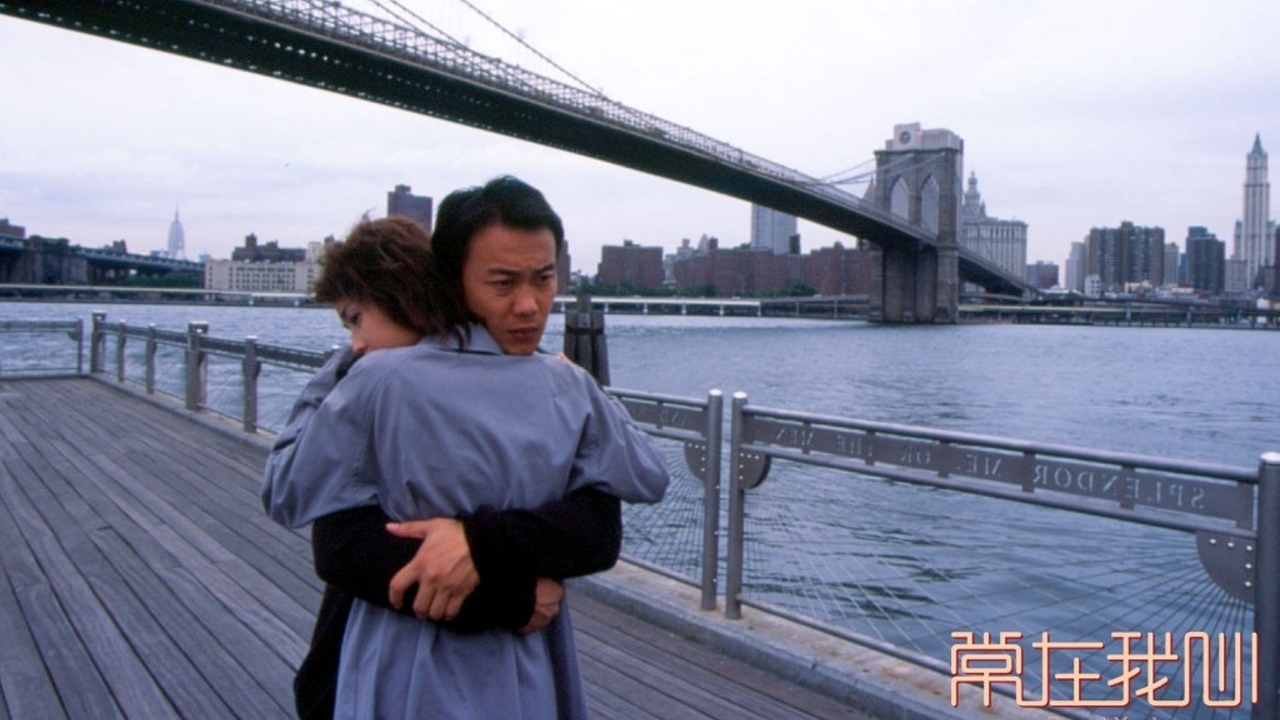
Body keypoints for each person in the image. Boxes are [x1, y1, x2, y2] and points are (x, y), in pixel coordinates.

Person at [263, 181, 669, 719]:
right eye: (503, 283)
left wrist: (342, 369)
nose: (528, 306)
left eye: (544, 279)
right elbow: (646, 480)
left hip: (401, 665)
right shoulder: (566, 386)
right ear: (454, 280)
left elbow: (288, 495)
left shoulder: (376, 379)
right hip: (526, 666)